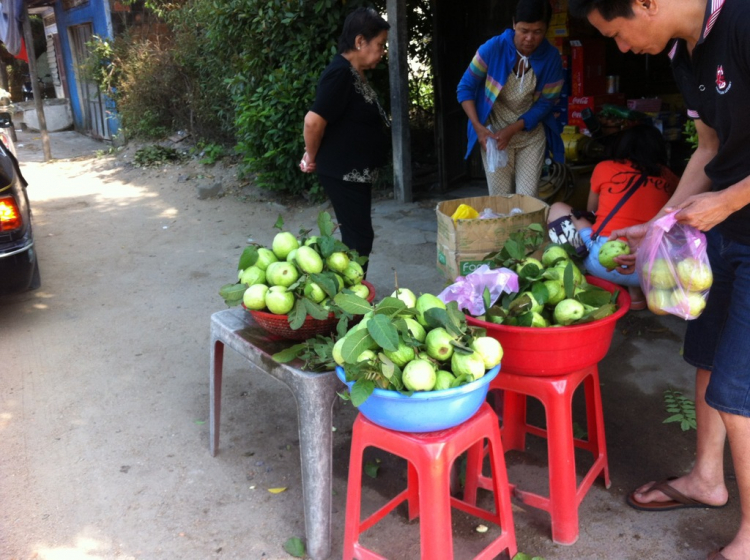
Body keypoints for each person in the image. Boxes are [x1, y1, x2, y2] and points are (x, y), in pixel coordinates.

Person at [569, 1, 750, 559]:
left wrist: (728, 200)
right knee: (706, 356)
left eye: (618, 33)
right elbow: (710, 148)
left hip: (738, 219)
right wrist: (660, 223)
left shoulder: (744, 22)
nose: (622, 49)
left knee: (739, 392)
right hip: (722, 234)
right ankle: (706, 479)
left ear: (646, 2)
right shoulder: (682, 53)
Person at [547, 124, 679, 309]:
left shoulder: (604, 167)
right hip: (655, 269)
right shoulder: (671, 178)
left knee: (557, 208)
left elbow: (591, 210)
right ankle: (636, 293)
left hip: (602, 262)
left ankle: (577, 269)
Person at [300, 7, 390, 271]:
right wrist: (310, 156)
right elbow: (313, 121)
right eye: (380, 45)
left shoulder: (353, 73)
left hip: (354, 173)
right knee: (358, 239)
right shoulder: (340, 73)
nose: (382, 52)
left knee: (358, 238)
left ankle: (350, 298)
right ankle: (350, 303)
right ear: (360, 41)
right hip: (342, 172)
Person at [456, 0, 565, 198]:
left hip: (530, 137)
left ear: (547, 29)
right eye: (524, 30)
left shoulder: (552, 58)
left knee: (527, 200)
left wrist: (513, 129)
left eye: (538, 31)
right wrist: (478, 126)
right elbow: (465, 88)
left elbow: (546, 103)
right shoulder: (492, 49)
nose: (530, 38)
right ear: (514, 23)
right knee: (499, 200)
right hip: (494, 136)